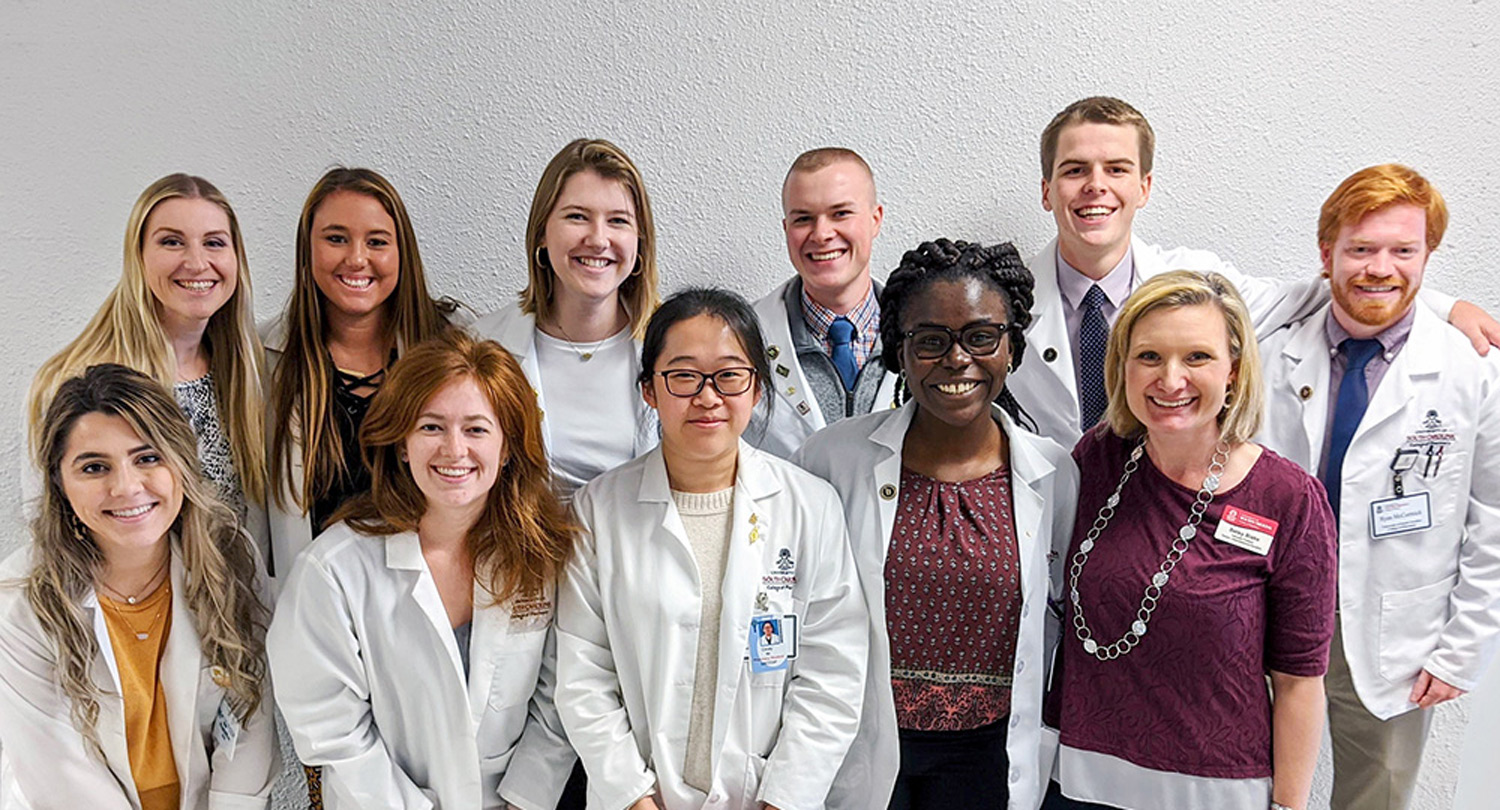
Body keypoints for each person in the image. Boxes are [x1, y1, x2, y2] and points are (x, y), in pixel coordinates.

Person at [1008, 96, 1500, 450]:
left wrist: (1445, 306)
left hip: (1160, 517)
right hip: (1047, 527)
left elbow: (1322, 292)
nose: (1096, 186)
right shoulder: (1008, 300)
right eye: (1075, 171)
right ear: (1047, 191)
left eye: (1116, 169)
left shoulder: (1197, 282)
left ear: (1144, 187)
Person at [556, 288, 868, 810]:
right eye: (683, 376)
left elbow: (832, 674)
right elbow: (583, 673)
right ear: (650, 391)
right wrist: (633, 796)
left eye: (728, 375)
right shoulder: (599, 510)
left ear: (757, 389)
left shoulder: (810, 506)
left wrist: (783, 799)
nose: (707, 397)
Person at [795, 239, 1078, 810]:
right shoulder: (831, 460)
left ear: (1012, 347)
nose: (956, 359)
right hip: (860, 742)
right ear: (900, 352)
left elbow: (1062, 616)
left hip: (989, 758)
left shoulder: (1053, 473)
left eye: (981, 337)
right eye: (930, 341)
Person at [1044, 271, 1337, 810]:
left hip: (1213, 789)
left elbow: (1299, 683)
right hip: (1078, 778)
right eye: (1149, 357)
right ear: (1122, 368)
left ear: (1235, 370)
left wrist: (1291, 806)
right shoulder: (1099, 459)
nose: (1170, 380)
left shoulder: (1288, 499)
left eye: (1197, 357)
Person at [1257, 165, 1500, 810]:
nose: (1379, 269)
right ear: (1326, 253)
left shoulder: (1471, 371)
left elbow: (1495, 520)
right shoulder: (1269, 352)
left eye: (1403, 250)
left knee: (1379, 793)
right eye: (1360, 249)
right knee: (1258, 782)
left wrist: (1460, 649)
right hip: (1269, 607)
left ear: (1429, 255)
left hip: (1402, 624)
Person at [268, 330, 576, 809]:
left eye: (476, 429)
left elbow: (557, 696)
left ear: (508, 446)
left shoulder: (540, 554)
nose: (454, 450)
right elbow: (331, 730)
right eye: (432, 427)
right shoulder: (333, 571)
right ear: (402, 443)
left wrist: (524, 801)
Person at [0, 363, 276, 808]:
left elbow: (249, 723)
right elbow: (63, 778)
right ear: (60, 484)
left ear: (181, 463)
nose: (126, 487)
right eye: (94, 467)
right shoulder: (19, 602)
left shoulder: (231, 559)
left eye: (148, 458)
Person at [26, 174, 268, 552]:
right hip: (130, 604)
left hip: (240, 600)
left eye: (214, 243)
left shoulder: (250, 372)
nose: (197, 262)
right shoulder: (75, 385)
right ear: (137, 256)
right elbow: (51, 531)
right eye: (172, 242)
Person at [266, 167, 468, 580]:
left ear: (402, 252)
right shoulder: (264, 359)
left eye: (377, 242)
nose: (357, 258)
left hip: (435, 598)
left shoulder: (456, 344)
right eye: (336, 239)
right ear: (308, 249)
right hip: (316, 609)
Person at [474, 138, 659, 498]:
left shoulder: (673, 345)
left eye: (618, 221)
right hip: (521, 552)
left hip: (642, 550)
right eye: (577, 217)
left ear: (639, 244)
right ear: (542, 232)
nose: (598, 239)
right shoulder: (482, 344)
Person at [751, 147, 900, 458]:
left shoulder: (920, 331)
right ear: (786, 229)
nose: (821, 234)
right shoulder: (745, 339)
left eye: (840, 213)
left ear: (876, 220)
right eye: (803, 218)